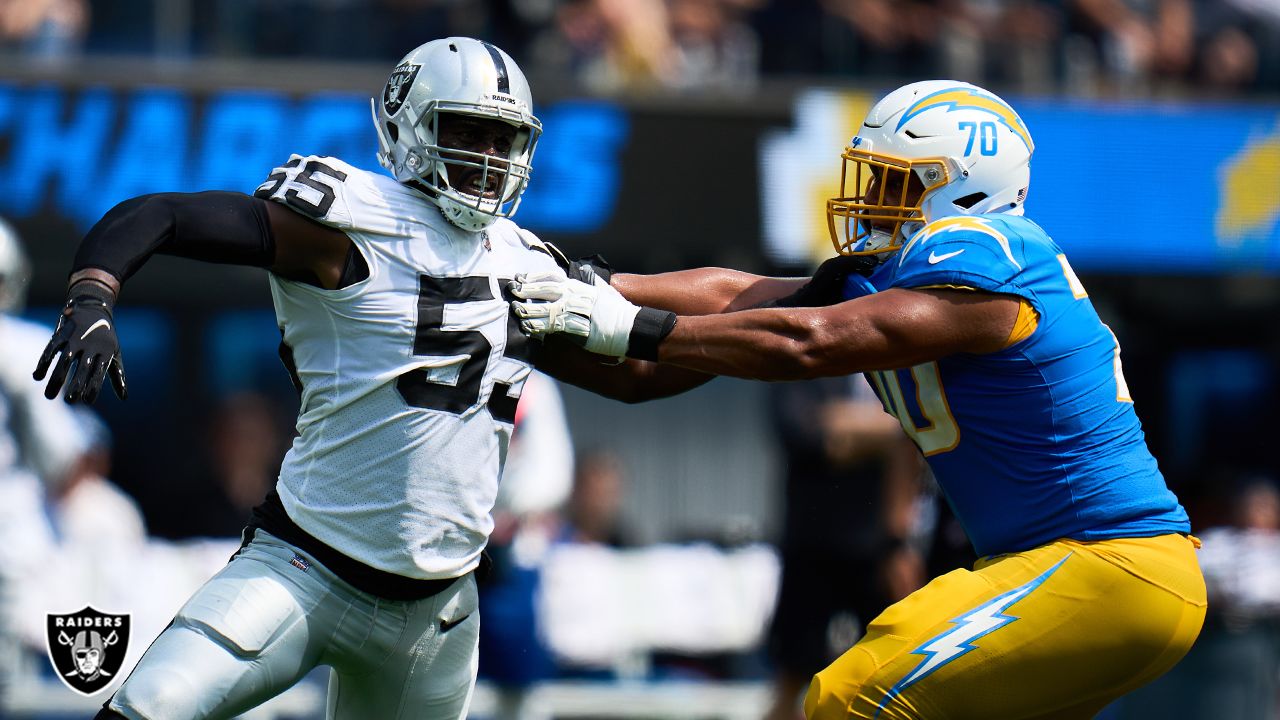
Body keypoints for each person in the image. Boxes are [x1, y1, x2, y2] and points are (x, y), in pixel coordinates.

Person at [32, 36, 712, 720]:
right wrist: (92, 295)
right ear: (407, 124)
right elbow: (163, 215)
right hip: (304, 570)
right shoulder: (352, 222)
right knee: (144, 710)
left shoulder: (526, 264)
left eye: (503, 139)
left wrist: (755, 331)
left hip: (437, 612)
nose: (486, 159)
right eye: (466, 131)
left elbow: (635, 379)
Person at [509, 80, 1207, 718]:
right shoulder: (902, 277)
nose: (869, 199)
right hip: (1066, 572)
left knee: (851, 694)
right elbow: (707, 323)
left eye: (894, 182)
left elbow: (805, 342)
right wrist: (561, 296)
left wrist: (626, 323)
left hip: (1106, 563)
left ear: (960, 190)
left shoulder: (995, 254)